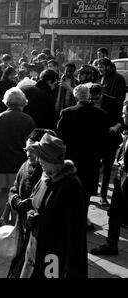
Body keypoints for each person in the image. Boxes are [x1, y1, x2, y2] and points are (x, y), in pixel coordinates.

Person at [20, 133, 87, 278]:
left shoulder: (71, 186)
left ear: (50, 160)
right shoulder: (45, 177)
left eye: (41, 157)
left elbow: (75, 233)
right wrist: (31, 214)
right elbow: (35, 201)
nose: (38, 160)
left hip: (53, 256)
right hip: (34, 249)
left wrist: (71, 269)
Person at [57, 84, 110, 231]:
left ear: (75, 96)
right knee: (85, 193)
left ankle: (68, 219)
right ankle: (82, 218)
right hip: (91, 160)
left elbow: (60, 137)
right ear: (88, 96)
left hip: (71, 159)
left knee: (68, 190)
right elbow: (104, 140)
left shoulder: (67, 113)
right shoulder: (101, 114)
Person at [7, 128, 56, 278]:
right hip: (23, 227)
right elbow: (13, 189)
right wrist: (15, 201)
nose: (28, 154)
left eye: (32, 150)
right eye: (26, 149)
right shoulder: (24, 165)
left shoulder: (48, 173)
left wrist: (27, 206)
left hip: (38, 233)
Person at [0, 87, 36, 223]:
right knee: (17, 195)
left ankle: (1, 219)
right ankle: (15, 224)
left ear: (7, 102)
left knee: (3, 193)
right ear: (23, 102)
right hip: (21, 164)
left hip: (2, 162)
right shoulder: (28, 120)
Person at [90, 100, 128, 256]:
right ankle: (111, 244)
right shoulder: (125, 129)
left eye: (125, 114)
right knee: (114, 211)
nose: (122, 115)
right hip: (121, 174)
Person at [89, 84, 123, 206]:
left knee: (107, 169)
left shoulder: (112, 102)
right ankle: (91, 193)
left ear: (101, 93)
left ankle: (103, 196)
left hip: (109, 139)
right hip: (94, 140)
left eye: (96, 98)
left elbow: (121, 120)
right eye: (92, 98)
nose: (94, 100)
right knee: (92, 167)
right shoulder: (89, 100)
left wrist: (115, 127)